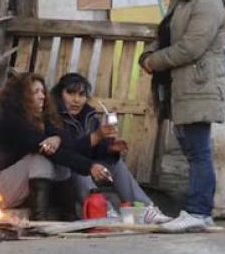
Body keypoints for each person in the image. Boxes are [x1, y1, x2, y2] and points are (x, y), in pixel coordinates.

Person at [139, 0, 225, 232]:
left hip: (197, 86)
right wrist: (149, 55)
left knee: (198, 152)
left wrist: (155, 61)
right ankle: (199, 211)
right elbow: (165, 35)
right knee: (193, 151)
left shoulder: (208, 2)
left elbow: (191, 47)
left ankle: (199, 211)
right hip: (182, 87)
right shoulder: (183, 0)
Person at [0, 73, 111, 220]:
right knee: (40, 160)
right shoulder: (11, 120)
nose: (42, 96)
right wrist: (89, 166)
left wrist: (58, 138)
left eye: (42, 91)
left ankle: (68, 216)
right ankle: (39, 221)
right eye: (36, 92)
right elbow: (44, 148)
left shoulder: (41, 119)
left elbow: (68, 145)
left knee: (61, 164)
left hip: (17, 192)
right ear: (21, 95)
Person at [51, 73, 173, 223]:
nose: (76, 100)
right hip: (64, 175)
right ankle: (103, 209)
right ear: (60, 94)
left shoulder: (88, 116)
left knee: (115, 164)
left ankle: (145, 209)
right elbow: (67, 153)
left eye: (81, 94)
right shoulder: (53, 116)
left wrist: (109, 149)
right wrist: (96, 136)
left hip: (88, 170)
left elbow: (93, 151)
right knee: (78, 167)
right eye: (70, 93)